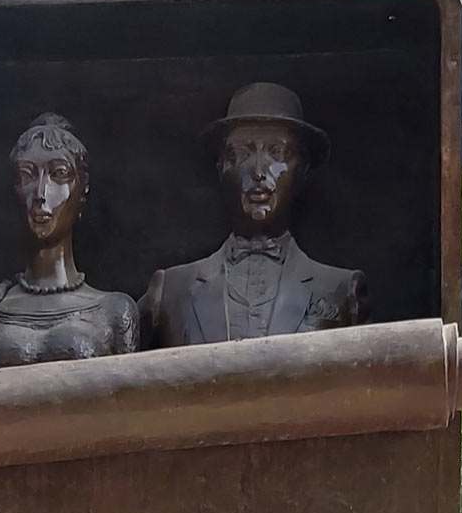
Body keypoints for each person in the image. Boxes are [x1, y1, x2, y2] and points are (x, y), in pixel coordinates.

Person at [140, 83, 367, 349]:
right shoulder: (170, 291)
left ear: (303, 172)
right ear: (221, 169)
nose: (259, 171)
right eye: (242, 153)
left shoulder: (342, 291)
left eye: (277, 152)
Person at [0, 113, 139, 370]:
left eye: (59, 174)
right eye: (26, 175)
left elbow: (132, 404)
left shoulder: (115, 311)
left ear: (81, 192)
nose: (40, 194)